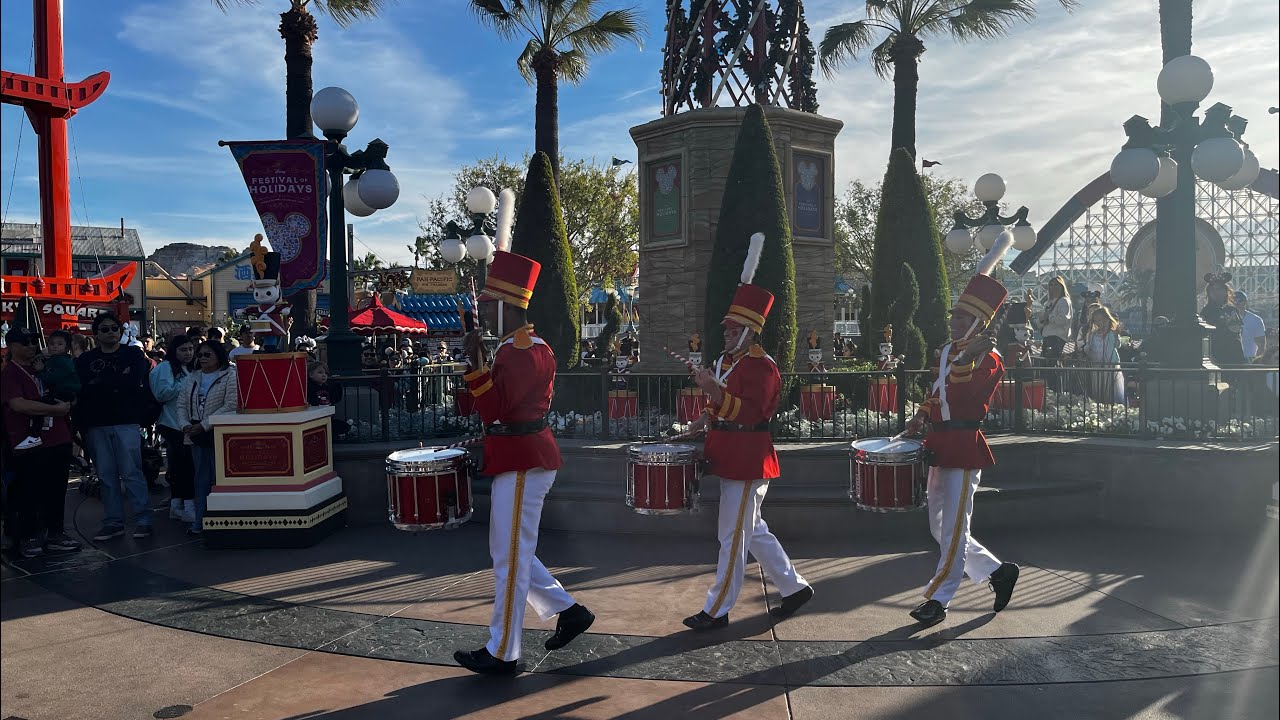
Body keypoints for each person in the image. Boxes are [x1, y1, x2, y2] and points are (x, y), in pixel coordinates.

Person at [452, 238, 594, 676]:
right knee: (509, 552)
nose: (485, 308)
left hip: (522, 462)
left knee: (510, 558)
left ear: (507, 306)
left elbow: (496, 409)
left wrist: (476, 365)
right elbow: (488, 407)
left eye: (490, 302)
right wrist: (475, 364)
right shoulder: (525, 348)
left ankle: (503, 652)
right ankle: (568, 611)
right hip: (520, 456)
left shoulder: (519, 353)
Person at [683, 233, 812, 632]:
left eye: (732, 327)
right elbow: (721, 405)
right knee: (751, 530)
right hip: (728, 451)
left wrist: (714, 393)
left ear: (750, 331)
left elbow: (751, 412)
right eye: (726, 326)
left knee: (732, 536)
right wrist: (704, 416)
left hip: (748, 455)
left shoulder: (762, 366)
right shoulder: (727, 359)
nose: (725, 331)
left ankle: (717, 609)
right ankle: (794, 588)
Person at [903, 273, 1020, 627]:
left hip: (965, 445)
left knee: (953, 528)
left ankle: (938, 599)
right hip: (940, 443)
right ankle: (997, 572)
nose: (953, 322)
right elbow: (939, 391)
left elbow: (969, 394)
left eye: (961, 318)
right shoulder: (948, 353)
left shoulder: (990, 358)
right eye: (953, 316)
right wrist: (922, 416)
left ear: (977, 324)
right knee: (942, 528)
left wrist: (968, 357)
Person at [2, 327, 81, 558]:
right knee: (28, 491)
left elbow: (69, 387)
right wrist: (55, 409)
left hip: (58, 438)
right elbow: (17, 404)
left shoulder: (46, 366)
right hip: (29, 442)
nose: (32, 346)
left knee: (56, 489)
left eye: (34, 342)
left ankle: (55, 533)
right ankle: (27, 537)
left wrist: (69, 400)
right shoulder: (10, 373)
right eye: (25, 342)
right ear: (12, 345)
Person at [77, 313, 155, 541]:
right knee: (106, 475)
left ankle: (143, 519)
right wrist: (117, 379)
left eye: (114, 328)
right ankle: (113, 521)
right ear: (96, 333)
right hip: (97, 424)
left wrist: (100, 382)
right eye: (105, 329)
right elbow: (84, 387)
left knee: (132, 472)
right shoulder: (85, 360)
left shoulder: (133, 353)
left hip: (127, 421)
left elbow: (134, 381)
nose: (110, 332)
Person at [178, 340, 238, 535]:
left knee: (219, 478)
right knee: (200, 478)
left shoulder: (230, 375)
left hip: (219, 433)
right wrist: (185, 425)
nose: (202, 358)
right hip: (196, 435)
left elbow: (230, 404)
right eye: (200, 355)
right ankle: (200, 521)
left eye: (207, 354)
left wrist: (204, 425)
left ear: (218, 355)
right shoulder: (192, 377)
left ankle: (221, 521)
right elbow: (181, 405)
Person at [150, 335, 197, 524]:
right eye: (183, 350)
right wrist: (184, 384)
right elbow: (162, 394)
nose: (188, 353)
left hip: (188, 424)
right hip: (172, 424)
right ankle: (184, 506)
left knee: (183, 467)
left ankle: (178, 505)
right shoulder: (164, 368)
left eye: (190, 349)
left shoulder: (191, 368)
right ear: (174, 351)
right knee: (183, 467)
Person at [16, 330, 80, 451]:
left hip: (63, 392)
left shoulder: (62, 362)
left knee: (39, 406)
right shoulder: (57, 360)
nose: (55, 346)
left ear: (67, 347)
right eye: (52, 343)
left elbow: (52, 379)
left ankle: (34, 435)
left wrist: (41, 370)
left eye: (60, 344)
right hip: (66, 393)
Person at [1200, 273, 1246, 366]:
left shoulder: (1232, 309)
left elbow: (1237, 332)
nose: (1216, 292)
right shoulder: (1207, 311)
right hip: (1217, 355)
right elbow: (1203, 336)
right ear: (1209, 292)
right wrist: (1209, 356)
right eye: (1213, 290)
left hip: (1235, 354)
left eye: (1219, 289)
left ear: (1226, 291)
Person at [1084, 306, 1126, 404]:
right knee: (1098, 389)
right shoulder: (1092, 334)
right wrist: (1087, 350)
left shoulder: (1112, 333)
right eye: (1096, 321)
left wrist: (1116, 335)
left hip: (1110, 365)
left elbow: (1117, 345)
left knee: (1111, 390)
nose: (1100, 323)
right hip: (1096, 365)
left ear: (1107, 319)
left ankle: (1114, 407)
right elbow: (1088, 347)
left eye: (1102, 320)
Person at [1038, 276, 1072, 361]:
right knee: (1045, 364)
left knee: (1051, 363)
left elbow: (1063, 319)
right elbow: (1039, 322)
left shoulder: (1064, 301)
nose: (1053, 287)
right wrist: (1042, 320)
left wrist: (1049, 318)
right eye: (1051, 285)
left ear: (1062, 286)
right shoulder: (1048, 303)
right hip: (1047, 337)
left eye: (1056, 285)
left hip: (1057, 338)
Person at [1234, 291, 1266, 363]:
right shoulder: (1226, 319)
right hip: (1231, 357)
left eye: (1240, 300)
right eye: (1234, 301)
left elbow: (1261, 344)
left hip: (1249, 358)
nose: (1237, 303)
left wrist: (1257, 362)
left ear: (1245, 302)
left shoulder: (1256, 320)